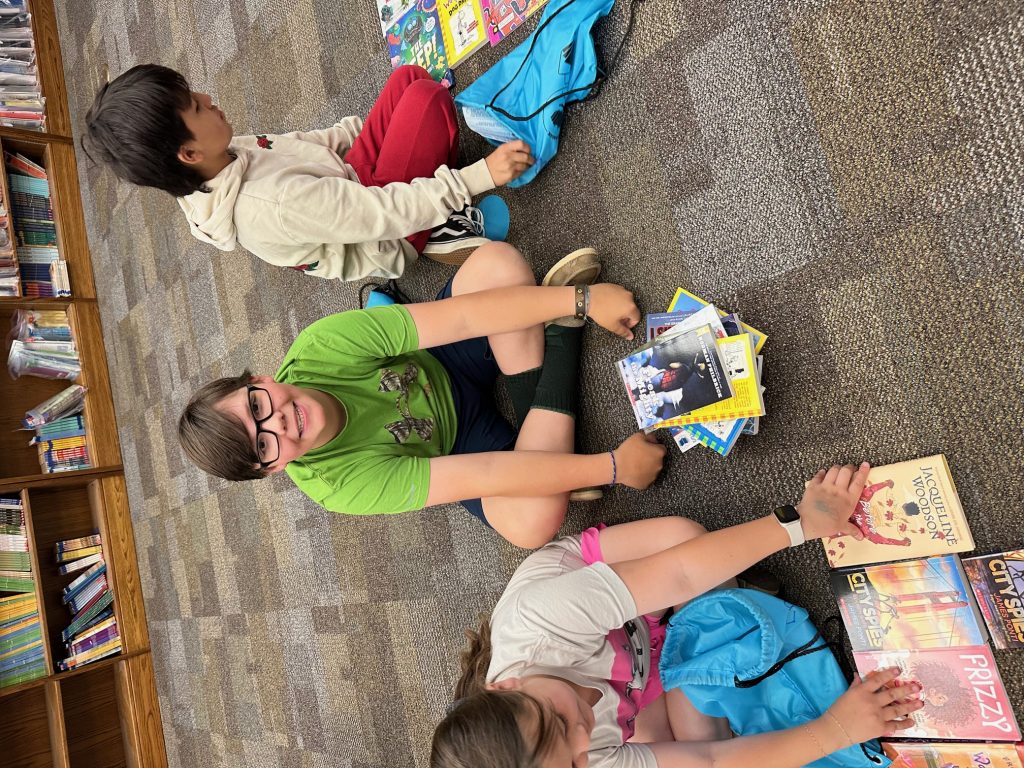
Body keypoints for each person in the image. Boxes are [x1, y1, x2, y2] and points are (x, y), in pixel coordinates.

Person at [432, 462, 925, 768]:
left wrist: (802, 522)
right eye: (577, 764)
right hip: (636, 677)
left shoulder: (539, 621)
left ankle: (721, 596)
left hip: (606, 579)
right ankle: (719, 604)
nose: (584, 737)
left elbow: (681, 572)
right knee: (694, 742)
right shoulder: (573, 750)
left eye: (561, 721)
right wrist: (837, 729)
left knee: (684, 539)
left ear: (505, 686)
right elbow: (708, 759)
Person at [177, 244, 667, 548]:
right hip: (457, 445)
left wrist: (584, 299)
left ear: (259, 379)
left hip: (444, 358)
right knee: (531, 523)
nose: (277, 422)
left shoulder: (320, 348)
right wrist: (612, 467)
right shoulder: (339, 487)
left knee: (499, 264)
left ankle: (550, 419)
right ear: (274, 469)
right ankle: (557, 349)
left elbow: (464, 318)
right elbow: (484, 472)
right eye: (264, 444)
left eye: (256, 405)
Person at [81, 63, 534, 280]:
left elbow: (306, 144)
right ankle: (435, 231)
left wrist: (373, 130)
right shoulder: (271, 205)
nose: (208, 97)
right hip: (383, 236)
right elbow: (380, 213)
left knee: (409, 80)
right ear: (188, 153)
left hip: (347, 184)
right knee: (428, 101)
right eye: (196, 107)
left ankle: (427, 192)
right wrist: (480, 175)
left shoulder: (219, 155)